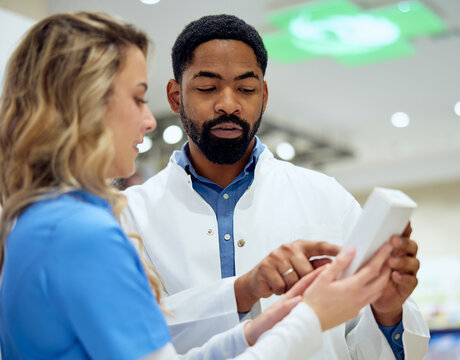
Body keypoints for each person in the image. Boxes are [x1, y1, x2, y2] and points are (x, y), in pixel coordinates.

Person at [0, 11, 396, 360]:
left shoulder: (44, 222)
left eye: (245, 87)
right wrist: (312, 317)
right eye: (139, 98)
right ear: (88, 104)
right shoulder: (83, 230)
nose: (149, 120)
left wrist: (265, 320)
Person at [122, 14, 430, 360]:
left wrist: (387, 311)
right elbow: (125, 333)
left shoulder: (327, 198)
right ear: (176, 96)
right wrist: (242, 290)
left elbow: (362, 344)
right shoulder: (129, 214)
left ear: (264, 96)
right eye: (208, 87)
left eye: (246, 88)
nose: (228, 103)